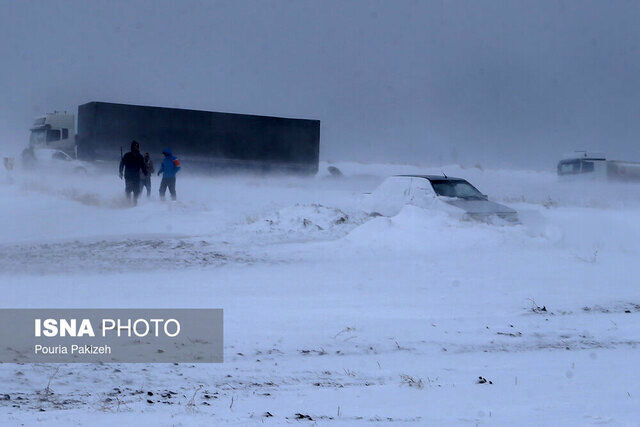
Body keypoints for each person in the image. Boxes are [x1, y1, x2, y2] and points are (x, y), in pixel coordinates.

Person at [119, 140, 147, 206]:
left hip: (135, 176)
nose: (136, 148)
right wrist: (120, 171)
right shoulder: (127, 155)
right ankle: (128, 203)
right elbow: (122, 164)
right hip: (129, 176)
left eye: (137, 147)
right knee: (129, 189)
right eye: (135, 147)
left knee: (136, 190)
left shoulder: (139, 156)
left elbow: (143, 165)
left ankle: (134, 203)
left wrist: (145, 172)